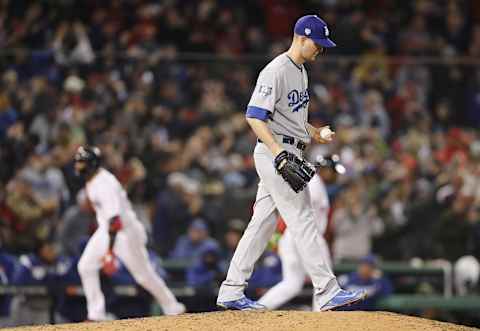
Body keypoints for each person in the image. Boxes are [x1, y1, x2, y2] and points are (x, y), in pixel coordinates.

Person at [217, 15, 365, 311]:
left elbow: (294, 121)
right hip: (276, 153)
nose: (320, 50)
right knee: (303, 218)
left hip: (289, 149)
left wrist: (315, 132)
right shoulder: (276, 70)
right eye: (317, 44)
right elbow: (254, 116)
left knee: (261, 224)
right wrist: (279, 153)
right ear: (301, 37)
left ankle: (231, 289)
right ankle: (326, 290)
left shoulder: (301, 72)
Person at [74, 146, 185, 321]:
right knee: (86, 266)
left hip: (125, 232)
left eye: (82, 163)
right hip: (107, 230)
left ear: (92, 164)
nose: (78, 166)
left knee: (142, 276)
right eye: (78, 162)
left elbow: (115, 221)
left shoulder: (103, 184)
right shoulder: (93, 179)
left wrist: (109, 253)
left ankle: (173, 307)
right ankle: (96, 314)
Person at [258, 155, 344, 310]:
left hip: (292, 236)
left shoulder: (315, 182)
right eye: (333, 171)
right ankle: (321, 319)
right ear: (324, 169)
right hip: (306, 235)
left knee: (292, 283)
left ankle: (258, 309)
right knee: (325, 281)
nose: (336, 175)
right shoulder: (314, 182)